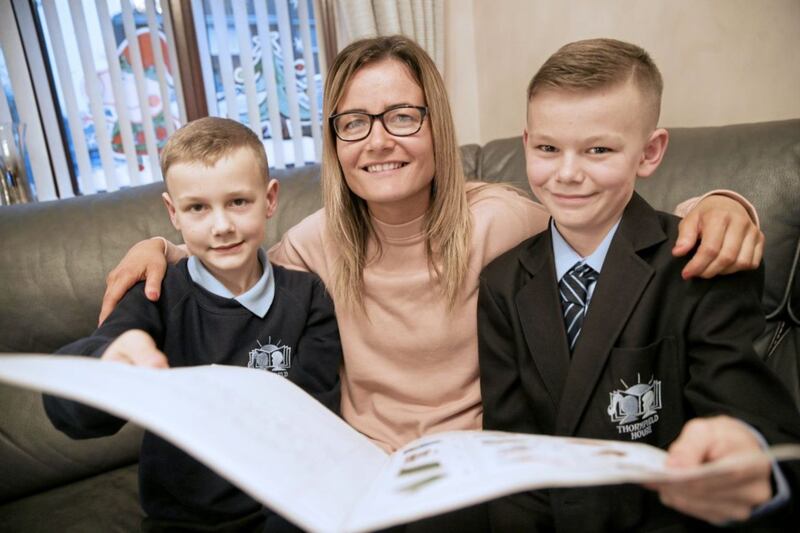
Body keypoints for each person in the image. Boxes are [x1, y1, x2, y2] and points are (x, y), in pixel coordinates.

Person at [98, 36, 765, 529]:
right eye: (354, 123)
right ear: (334, 141)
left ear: (435, 124)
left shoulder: (502, 223)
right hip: (353, 475)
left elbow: (606, 227)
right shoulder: (312, 243)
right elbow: (228, 252)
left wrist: (726, 202)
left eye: (402, 116)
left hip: (461, 477)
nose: (378, 140)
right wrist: (158, 245)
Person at [478, 38, 800, 531]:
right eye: (547, 148)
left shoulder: (697, 262)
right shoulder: (501, 284)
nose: (566, 173)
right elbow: (510, 455)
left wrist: (745, 450)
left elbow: (749, 419)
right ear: (526, 144)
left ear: (649, 153)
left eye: (598, 150)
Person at [43, 117, 341, 532]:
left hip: (286, 508)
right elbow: (72, 412)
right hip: (181, 519)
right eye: (197, 207)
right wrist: (109, 363)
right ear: (173, 213)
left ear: (269, 199)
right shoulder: (154, 295)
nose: (221, 226)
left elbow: (315, 428)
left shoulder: (308, 298)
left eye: (239, 201)